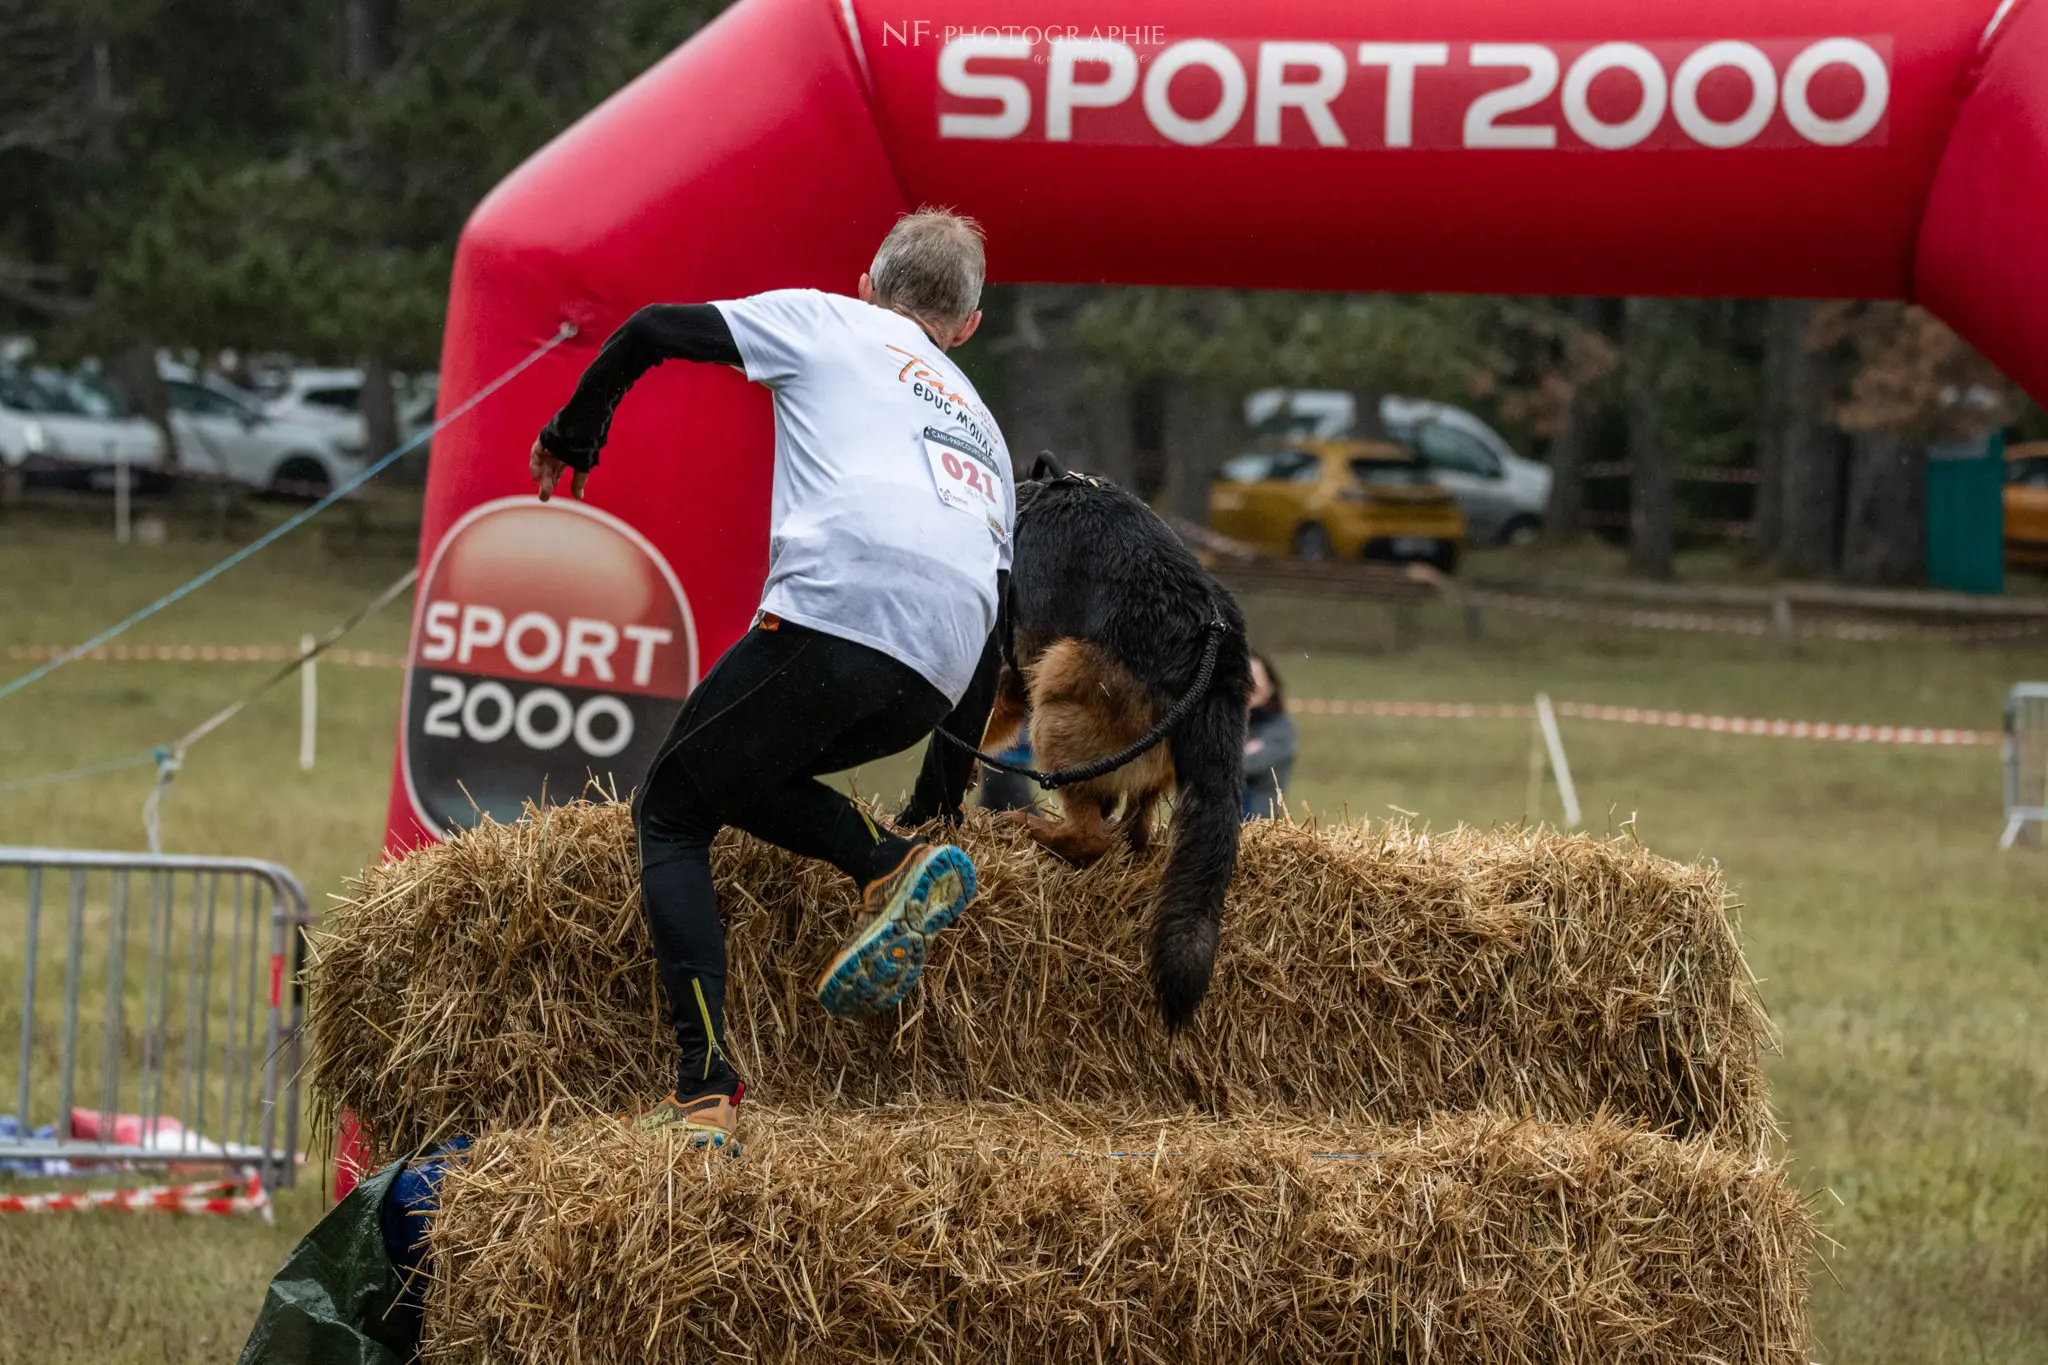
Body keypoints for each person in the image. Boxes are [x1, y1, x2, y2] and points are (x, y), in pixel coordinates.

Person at [528, 209, 1014, 1153]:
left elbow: (651, 329)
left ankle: (703, 1085)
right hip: (936, 665)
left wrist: (576, 433)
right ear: (967, 327)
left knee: (672, 807)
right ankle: (887, 858)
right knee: (740, 768)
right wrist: (940, 808)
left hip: (837, 611)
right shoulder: (984, 427)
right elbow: (995, 637)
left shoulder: (831, 320)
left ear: (868, 285)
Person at [1242, 652, 1296, 820]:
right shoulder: (1222, 727)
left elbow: (1251, 766)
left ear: (1270, 686)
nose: (1250, 682)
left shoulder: (1280, 729)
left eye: (1256, 676)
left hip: (1259, 825)